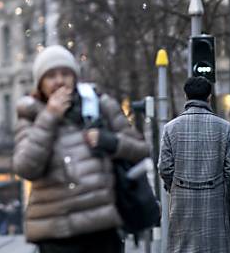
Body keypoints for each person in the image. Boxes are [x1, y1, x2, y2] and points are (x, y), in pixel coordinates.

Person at [13, 45, 149, 253]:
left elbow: (140, 149)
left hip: (101, 228)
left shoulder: (100, 105)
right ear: (40, 84)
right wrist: (49, 116)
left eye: (65, 73)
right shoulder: (30, 115)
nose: (59, 80)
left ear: (75, 77)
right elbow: (26, 167)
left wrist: (110, 142)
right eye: (50, 76)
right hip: (56, 233)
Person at [159, 76, 230, 253]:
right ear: (209, 97)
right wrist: (224, 192)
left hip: (181, 201)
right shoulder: (225, 127)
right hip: (215, 200)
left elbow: (164, 167)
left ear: (186, 97)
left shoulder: (170, 128)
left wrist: (174, 187)